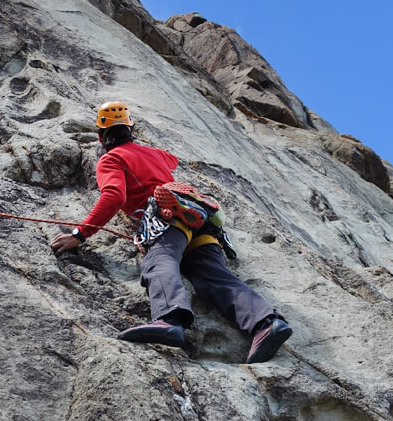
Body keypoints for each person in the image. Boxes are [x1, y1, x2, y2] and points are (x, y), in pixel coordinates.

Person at [50, 101, 292, 364]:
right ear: (131, 130)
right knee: (212, 276)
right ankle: (266, 322)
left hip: (165, 221)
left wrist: (79, 234)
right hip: (200, 221)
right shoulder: (153, 153)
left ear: (101, 137)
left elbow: (114, 196)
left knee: (159, 261)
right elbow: (171, 159)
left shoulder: (111, 158)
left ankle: (169, 319)